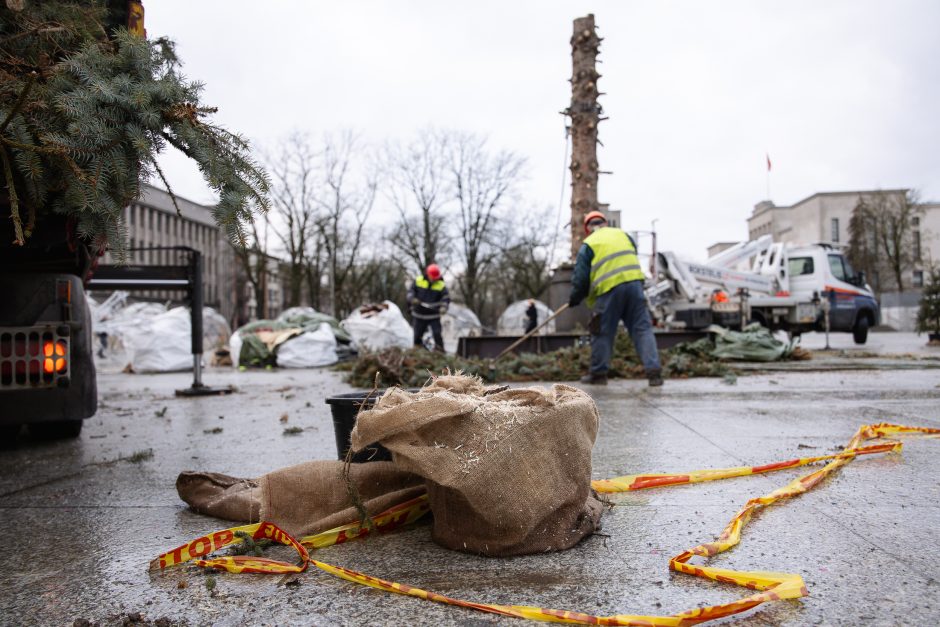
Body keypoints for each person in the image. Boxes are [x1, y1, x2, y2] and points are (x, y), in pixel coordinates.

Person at [568, 211, 663, 387]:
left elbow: (581, 278)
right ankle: (654, 373)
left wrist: (575, 297)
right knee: (642, 329)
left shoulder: (589, 243)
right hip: (635, 287)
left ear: (588, 228)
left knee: (602, 332)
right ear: (605, 223)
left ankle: (599, 374)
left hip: (609, 290)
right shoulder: (623, 235)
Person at [407, 263, 450, 352]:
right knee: (417, 335)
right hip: (419, 314)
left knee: (437, 334)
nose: (434, 280)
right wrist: (412, 299)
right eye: (432, 278)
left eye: (435, 278)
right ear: (427, 274)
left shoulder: (441, 284)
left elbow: (446, 298)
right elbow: (410, 292)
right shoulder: (418, 281)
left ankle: (440, 352)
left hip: (433, 315)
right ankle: (417, 353)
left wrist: (444, 307)